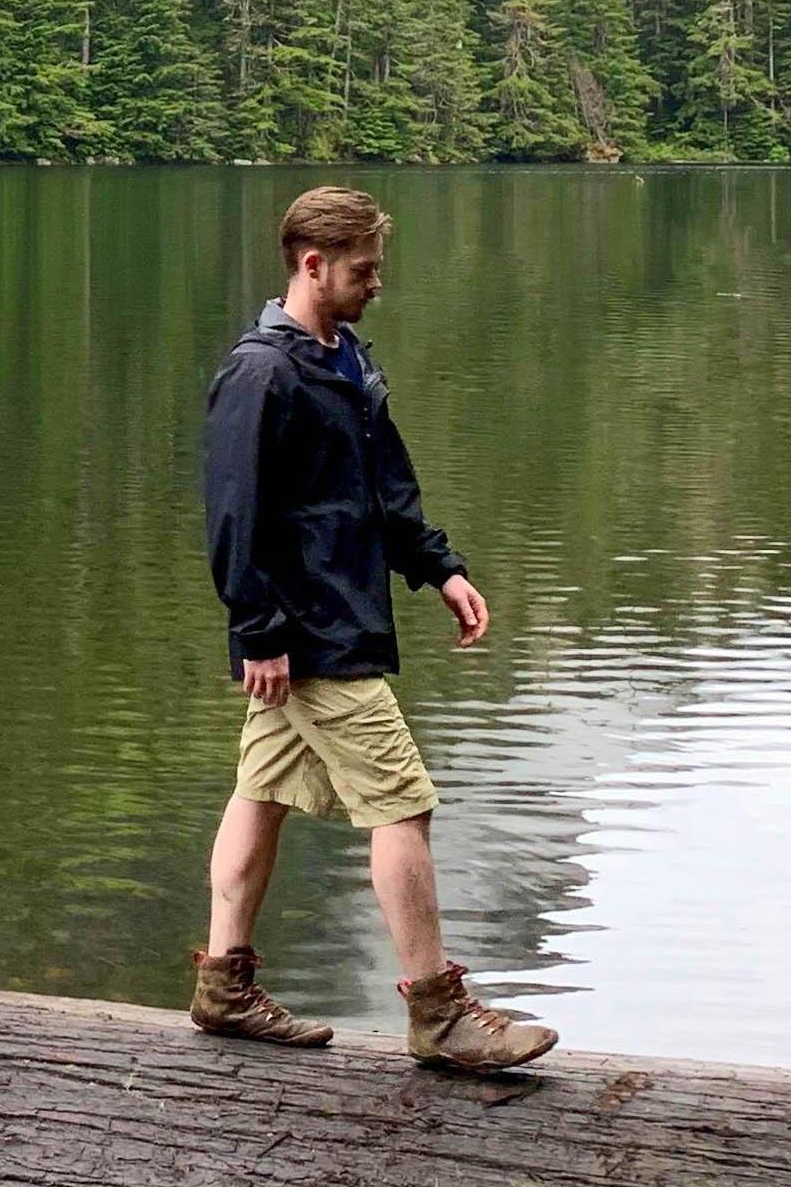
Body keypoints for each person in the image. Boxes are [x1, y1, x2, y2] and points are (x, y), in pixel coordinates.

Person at [192, 185, 556, 1070]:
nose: (375, 284)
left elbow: (386, 492)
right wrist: (262, 630)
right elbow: (232, 516)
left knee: (264, 787)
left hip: (336, 616)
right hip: (312, 634)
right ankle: (439, 1011)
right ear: (312, 264)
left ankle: (224, 988)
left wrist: (441, 568)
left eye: (377, 269)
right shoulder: (261, 371)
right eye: (363, 270)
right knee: (404, 803)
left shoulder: (345, 359)